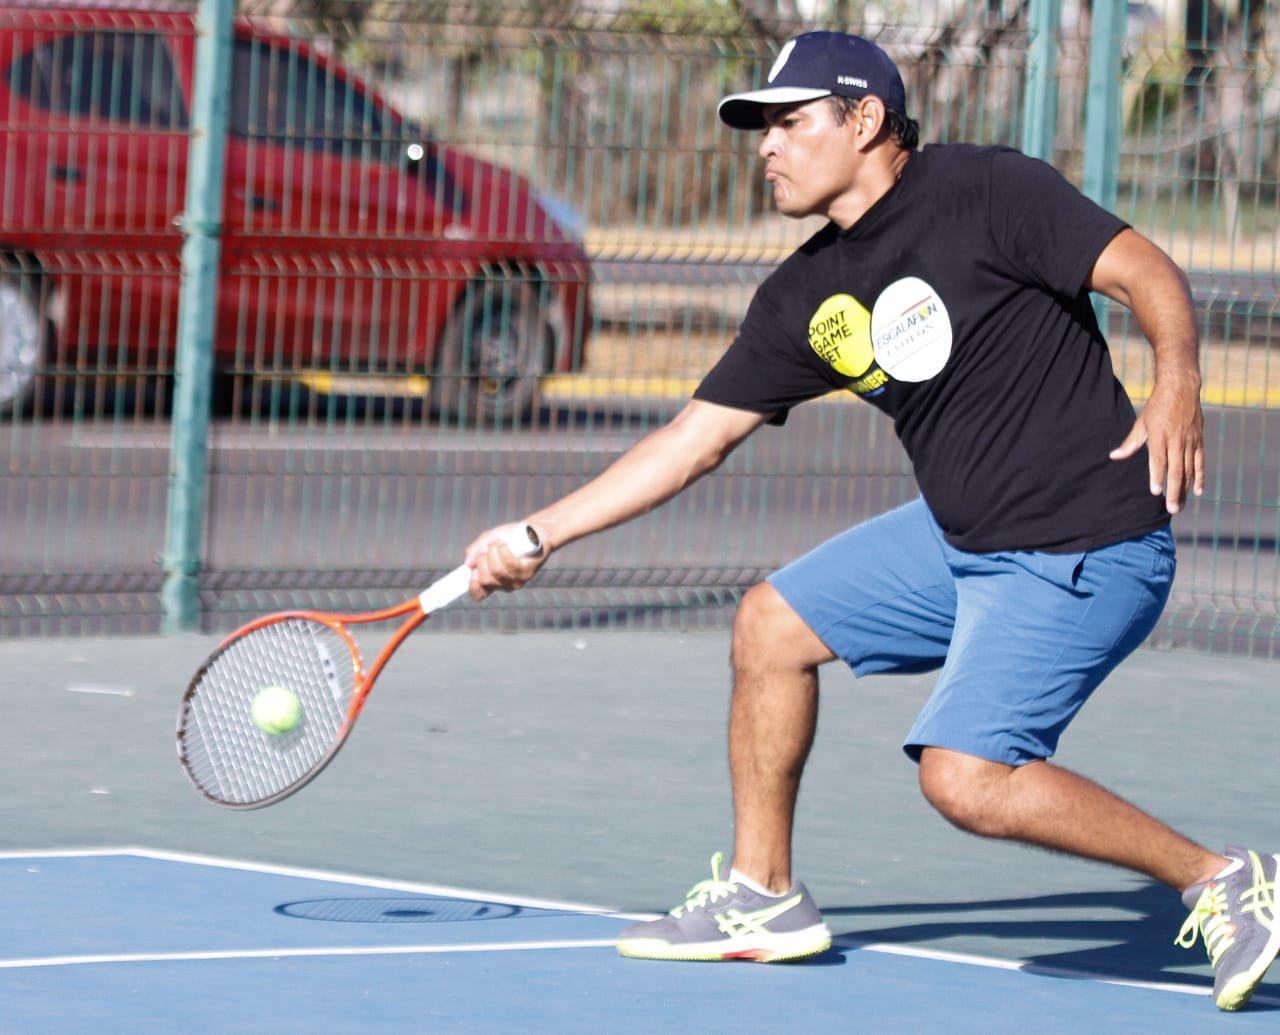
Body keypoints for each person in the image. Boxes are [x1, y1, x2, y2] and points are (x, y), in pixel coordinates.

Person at [463, 31, 1278, 1011]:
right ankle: (763, 899)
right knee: (770, 623)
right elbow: (691, 439)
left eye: (789, 121)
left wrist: (1176, 381)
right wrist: (538, 534)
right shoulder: (804, 293)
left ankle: (1222, 879)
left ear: (862, 119)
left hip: (1085, 546)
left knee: (966, 781)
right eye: (758, 126)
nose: (766, 145)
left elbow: (1143, 269)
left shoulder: (985, 192)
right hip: (963, 539)